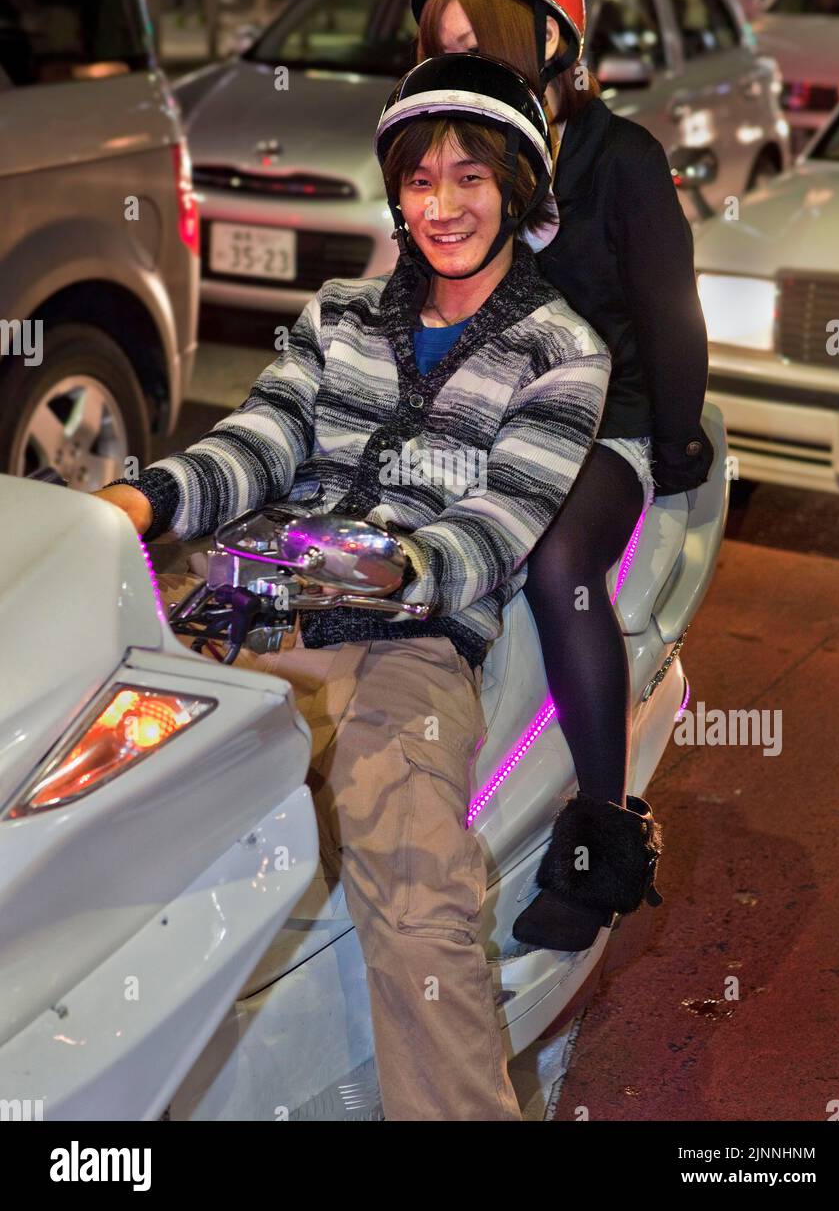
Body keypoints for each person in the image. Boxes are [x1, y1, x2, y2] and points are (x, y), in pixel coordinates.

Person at [90, 54, 639, 1121]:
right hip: (254, 610)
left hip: (413, 646)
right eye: (421, 181)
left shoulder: (561, 350)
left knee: (418, 893)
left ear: (516, 185)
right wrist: (142, 500)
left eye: (469, 179)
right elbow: (260, 439)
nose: (441, 207)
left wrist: (405, 566)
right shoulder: (338, 310)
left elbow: (500, 524)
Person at [411, 0, 712, 953]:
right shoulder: (459, 154)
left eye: (479, 39)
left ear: (548, 40)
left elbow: (670, 312)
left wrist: (675, 446)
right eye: (442, 43)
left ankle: (604, 830)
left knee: (554, 562)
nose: (460, 62)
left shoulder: (621, 157)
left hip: (607, 424)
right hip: (488, 415)